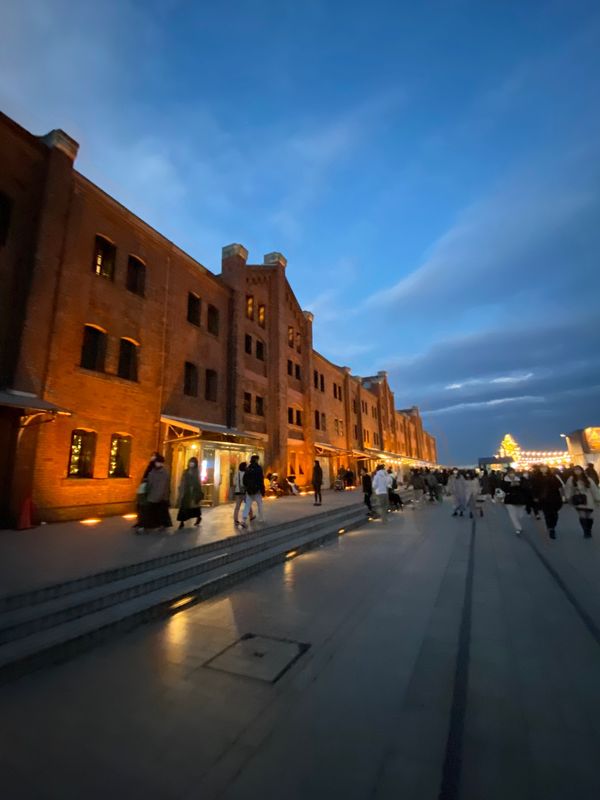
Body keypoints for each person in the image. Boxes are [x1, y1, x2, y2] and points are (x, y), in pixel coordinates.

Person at [565, 465, 600, 538]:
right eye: (575, 470)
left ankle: (589, 529)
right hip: (579, 500)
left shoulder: (587, 479)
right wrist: (568, 497)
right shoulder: (571, 479)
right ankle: (586, 531)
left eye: (579, 469)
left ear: (582, 470)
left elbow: (594, 489)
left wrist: (597, 498)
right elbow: (568, 488)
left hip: (589, 500)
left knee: (589, 516)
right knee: (582, 515)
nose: (577, 471)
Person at [143, 454, 172, 531]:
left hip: (160, 496)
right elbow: (149, 483)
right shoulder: (152, 472)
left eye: (159, 462)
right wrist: (147, 491)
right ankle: (149, 526)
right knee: (152, 511)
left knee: (158, 511)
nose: (157, 464)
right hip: (152, 494)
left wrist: (163, 496)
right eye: (156, 462)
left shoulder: (164, 473)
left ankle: (155, 525)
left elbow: (164, 486)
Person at [534, 465, 563, 539]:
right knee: (547, 514)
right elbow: (534, 488)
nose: (543, 469)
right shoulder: (537, 478)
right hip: (543, 499)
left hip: (554, 498)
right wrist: (535, 497)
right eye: (542, 468)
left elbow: (559, 486)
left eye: (545, 468)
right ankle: (551, 528)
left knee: (555, 514)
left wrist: (562, 495)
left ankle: (552, 525)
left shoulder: (553, 476)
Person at [133, 451, 160, 530]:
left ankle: (146, 523)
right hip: (144, 485)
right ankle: (141, 522)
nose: (152, 457)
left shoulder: (155, 467)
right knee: (141, 505)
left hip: (149, 488)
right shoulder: (150, 465)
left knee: (146, 506)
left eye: (154, 456)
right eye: (152, 455)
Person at [176, 457, 203, 529]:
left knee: (194, 507)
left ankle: (198, 517)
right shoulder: (185, 471)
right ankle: (181, 522)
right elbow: (182, 481)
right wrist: (181, 489)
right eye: (190, 462)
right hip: (186, 491)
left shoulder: (196, 472)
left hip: (193, 492)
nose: (191, 464)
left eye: (193, 463)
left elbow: (198, 482)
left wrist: (198, 491)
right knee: (184, 507)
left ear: (195, 464)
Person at [502, 467, 529, 535]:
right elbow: (504, 488)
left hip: (520, 500)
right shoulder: (504, 480)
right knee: (512, 515)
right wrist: (510, 485)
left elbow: (526, 487)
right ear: (507, 473)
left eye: (512, 473)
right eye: (509, 473)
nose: (511, 474)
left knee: (520, 515)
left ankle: (518, 525)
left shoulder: (520, 479)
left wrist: (519, 485)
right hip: (509, 500)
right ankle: (518, 528)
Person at [241, 454, 265, 527]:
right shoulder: (259, 468)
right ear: (256, 460)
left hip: (249, 491)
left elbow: (244, 480)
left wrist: (247, 487)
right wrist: (262, 490)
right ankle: (261, 518)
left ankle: (243, 520)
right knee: (259, 504)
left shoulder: (248, 468)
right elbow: (261, 480)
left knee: (247, 505)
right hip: (257, 490)